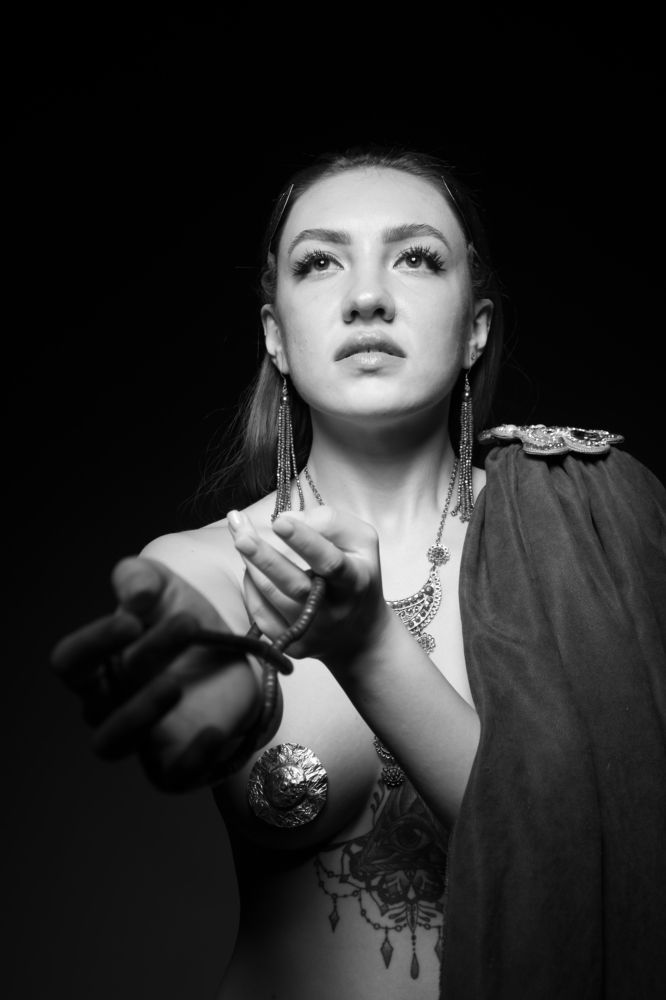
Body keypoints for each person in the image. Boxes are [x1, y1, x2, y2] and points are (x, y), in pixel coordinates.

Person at [51, 146, 666, 1000]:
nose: (367, 296)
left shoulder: (588, 526)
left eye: (416, 258)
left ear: (477, 327)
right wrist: (215, 698)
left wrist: (367, 644)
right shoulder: (204, 568)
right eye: (320, 263)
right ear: (275, 336)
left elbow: (604, 871)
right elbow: (201, 667)